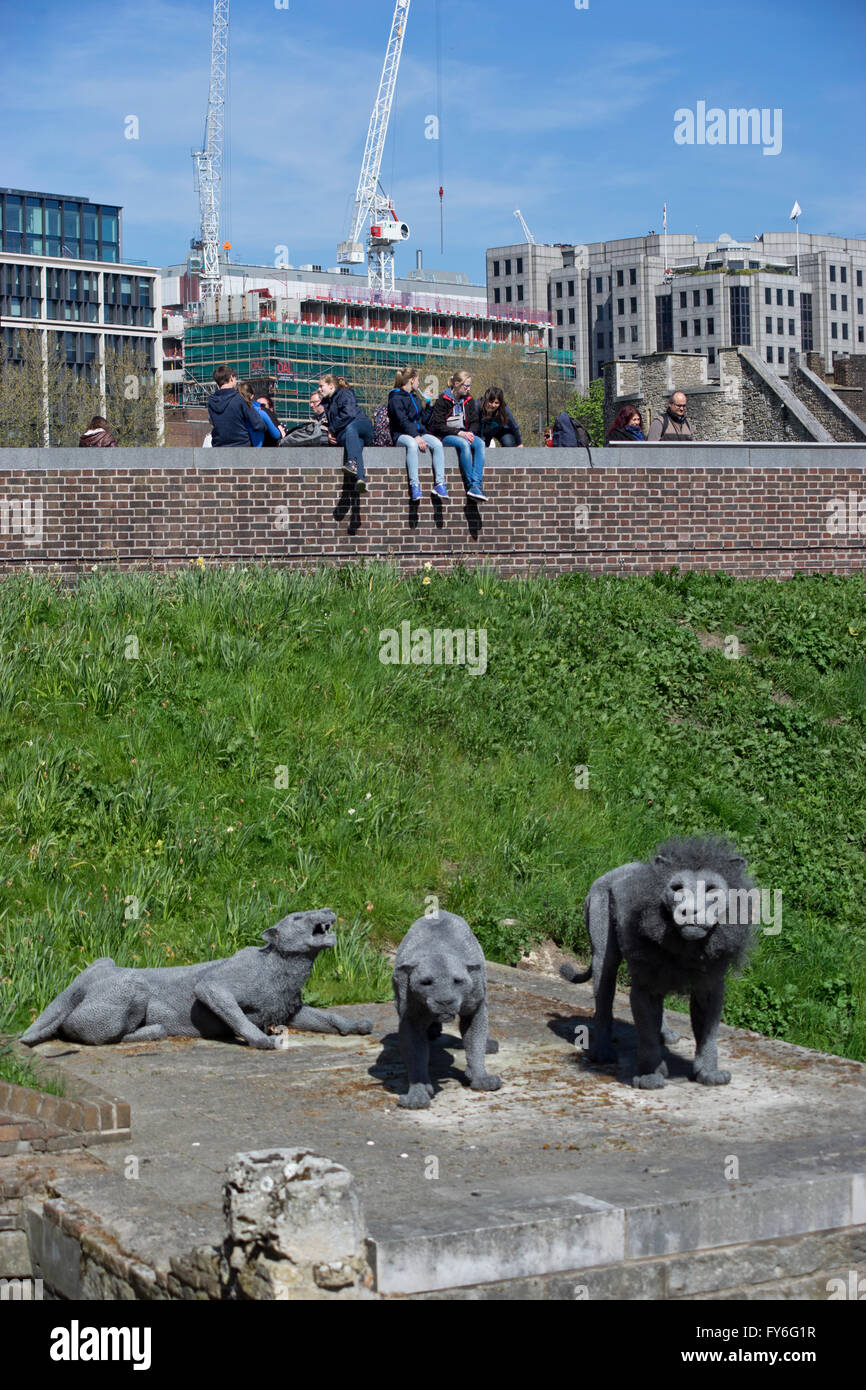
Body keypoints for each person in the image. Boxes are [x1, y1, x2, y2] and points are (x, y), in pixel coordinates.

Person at [387, 366, 449, 502]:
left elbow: (422, 421)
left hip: (418, 433)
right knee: (412, 445)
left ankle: (440, 483)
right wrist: (416, 437)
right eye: (418, 380)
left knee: (438, 444)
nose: (419, 383)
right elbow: (402, 421)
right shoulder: (395, 398)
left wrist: (429, 404)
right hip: (401, 434)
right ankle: (414, 485)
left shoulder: (414, 398)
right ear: (411, 380)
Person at [426, 369, 487, 501]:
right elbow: (438, 425)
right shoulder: (443, 399)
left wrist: (470, 432)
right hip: (447, 435)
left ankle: (476, 485)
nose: (468, 389)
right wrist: (459, 433)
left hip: (465, 433)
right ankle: (470, 484)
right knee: (464, 445)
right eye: (466, 386)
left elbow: (475, 421)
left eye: (470, 386)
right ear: (457, 384)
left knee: (480, 443)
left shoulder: (469, 400)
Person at [317, 374, 374, 493]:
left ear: (331, 386)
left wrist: (332, 429)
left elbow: (349, 414)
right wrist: (329, 432)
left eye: (321, 386)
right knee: (355, 444)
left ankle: (352, 463)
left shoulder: (344, 393)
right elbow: (332, 423)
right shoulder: (327, 402)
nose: (319, 389)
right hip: (348, 433)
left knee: (351, 428)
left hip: (362, 425)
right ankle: (360, 479)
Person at [207, 364, 266, 446]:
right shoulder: (239, 398)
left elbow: (213, 424)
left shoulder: (211, 401)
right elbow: (258, 425)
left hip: (219, 447)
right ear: (231, 378)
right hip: (241, 446)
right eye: (235, 378)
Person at [237, 381, 282, 448]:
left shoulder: (234, 412)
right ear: (252, 396)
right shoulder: (261, 412)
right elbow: (276, 435)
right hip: (256, 450)